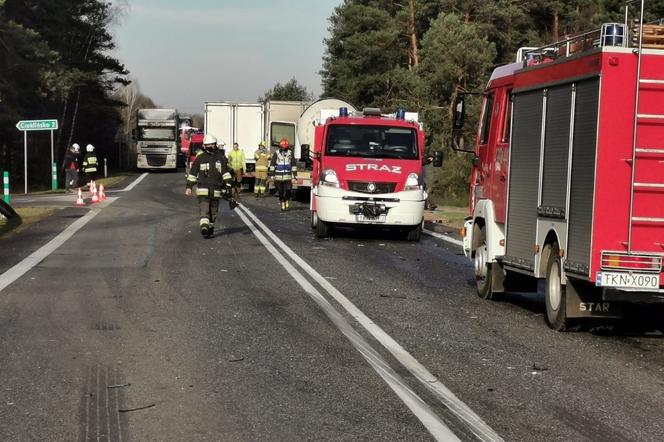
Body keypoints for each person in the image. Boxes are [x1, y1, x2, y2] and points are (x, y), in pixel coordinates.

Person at [185, 134, 232, 238]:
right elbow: (193, 173)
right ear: (204, 146)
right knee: (205, 211)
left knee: (213, 214)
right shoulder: (200, 158)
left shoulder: (221, 158)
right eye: (208, 145)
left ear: (215, 145)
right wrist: (189, 187)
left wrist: (228, 185)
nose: (210, 146)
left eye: (212, 144)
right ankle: (204, 227)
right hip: (203, 191)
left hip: (216, 191)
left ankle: (209, 230)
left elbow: (226, 173)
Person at [269, 137, 297, 211]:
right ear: (280, 147)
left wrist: (294, 176)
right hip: (278, 177)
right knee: (281, 192)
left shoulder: (290, 153)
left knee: (288, 190)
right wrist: (272, 175)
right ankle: (282, 202)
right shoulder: (276, 153)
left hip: (287, 176)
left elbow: (293, 165)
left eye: (285, 148)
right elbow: (272, 164)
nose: (284, 149)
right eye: (282, 147)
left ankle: (286, 199)